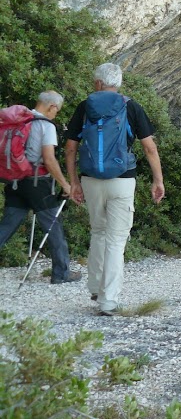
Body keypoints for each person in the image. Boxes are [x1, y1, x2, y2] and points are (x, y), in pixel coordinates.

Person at [65, 63, 165, 316]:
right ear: (117, 83)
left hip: (90, 179)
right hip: (122, 179)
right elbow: (149, 148)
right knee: (116, 240)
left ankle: (96, 287)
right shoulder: (131, 106)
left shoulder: (84, 106)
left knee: (98, 231)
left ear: (98, 83)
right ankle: (108, 300)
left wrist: (73, 181)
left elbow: (70, 147)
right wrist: (158, 180)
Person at [0, 91, 78, 284]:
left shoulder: (20, 122)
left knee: (7, 225)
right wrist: (65, 184)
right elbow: (49, 160)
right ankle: (61, 273)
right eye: (56, 111)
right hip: (38, 184)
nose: (56, 114)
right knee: (54, 226)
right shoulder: (46, 126)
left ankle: (62, 272)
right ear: (52, 106)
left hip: (15, 181)